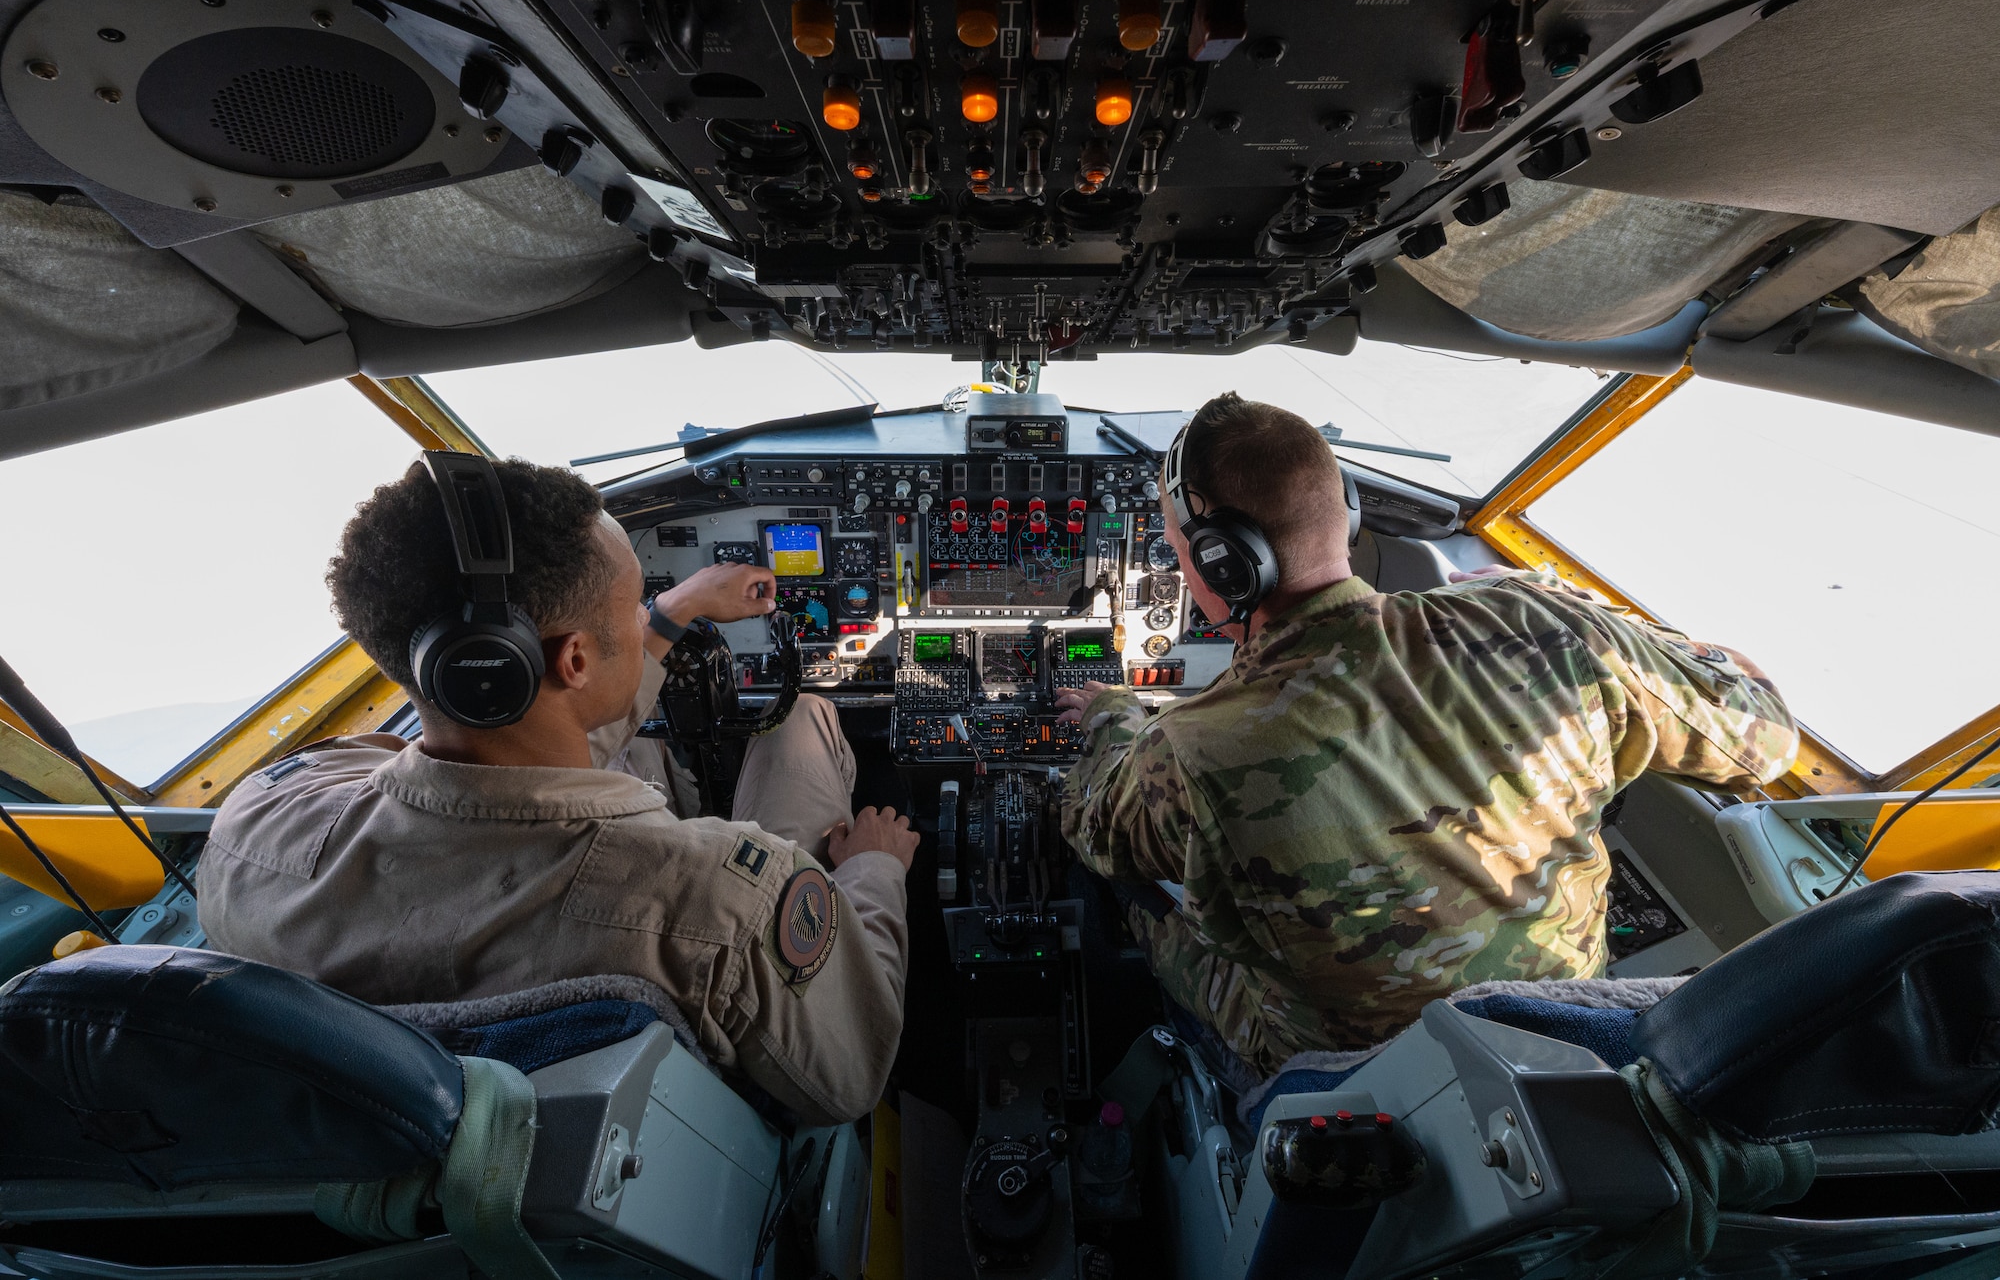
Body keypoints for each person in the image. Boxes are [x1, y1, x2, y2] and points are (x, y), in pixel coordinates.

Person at [1054, 394, 1798, 1084]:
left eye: (1181, 548)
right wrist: (1627, 639)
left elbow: (1092, 825)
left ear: (1224, 560)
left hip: (1349, 1070)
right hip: (1565, 1035)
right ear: (1342, 514)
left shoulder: (1186, 751)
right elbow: (1766, 739)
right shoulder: (1545, 623)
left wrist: (1114, 714)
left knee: (1130, 886)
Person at [199, 458, 916, 1125]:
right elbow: (851, 1075)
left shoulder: (256, 826)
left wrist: (674, 612)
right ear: (573, 657)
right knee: (801, 718)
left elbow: (500, 763)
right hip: (706, 1118)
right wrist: (873, 869)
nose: (644, 617)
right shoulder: (727, 899)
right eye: (636, 604)